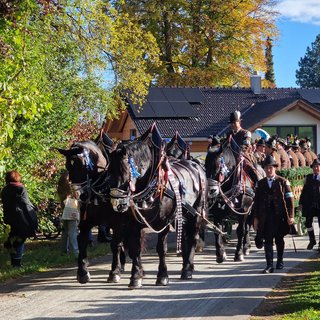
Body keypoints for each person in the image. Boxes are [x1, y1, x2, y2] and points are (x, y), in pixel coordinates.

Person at [253, 155, 295, 274]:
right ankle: (269, 265)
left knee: (279, 239)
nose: (268, 170)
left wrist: (291, 216)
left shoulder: (282, 182)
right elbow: (256, 202)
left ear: (275, 168)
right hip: (266, 217)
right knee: (267, 240)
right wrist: (255, 218)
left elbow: (290, 200)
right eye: (266, 168)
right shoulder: (260, 184)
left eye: (271, 168)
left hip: (280, 217)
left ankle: (280, 261)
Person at [1, 170, 38, 267]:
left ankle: (13, 259)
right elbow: (26, 204)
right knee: (21, 238)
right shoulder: (20, 188)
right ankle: (17, 262)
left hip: (9, 217)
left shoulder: (5, 190)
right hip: (21, 218)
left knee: (13, 237)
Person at [299, 158, 320, 252]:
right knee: (308, 223)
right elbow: (303, 191)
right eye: (314, 167)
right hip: (310, 204)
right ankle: (312, 240)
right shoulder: (308, 177)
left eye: (318, 166)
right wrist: (301, 203)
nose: (316, 168)